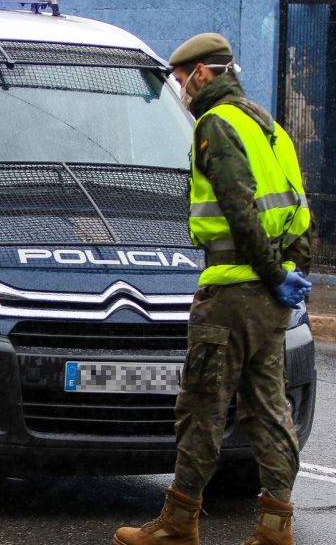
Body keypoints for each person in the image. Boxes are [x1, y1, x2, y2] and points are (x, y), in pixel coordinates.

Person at [114, 33, 312, 545]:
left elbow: (239, 210)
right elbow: (299, 212)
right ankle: (275, 527)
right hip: (269, 298)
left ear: (203, 73)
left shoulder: (215, 124)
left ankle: (178, 523)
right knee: (268, 409)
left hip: (230, 293)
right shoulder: (268, 127)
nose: (180, 90)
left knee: (201, 404)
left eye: (181, 80)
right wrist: (288, 276)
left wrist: (269, 274)